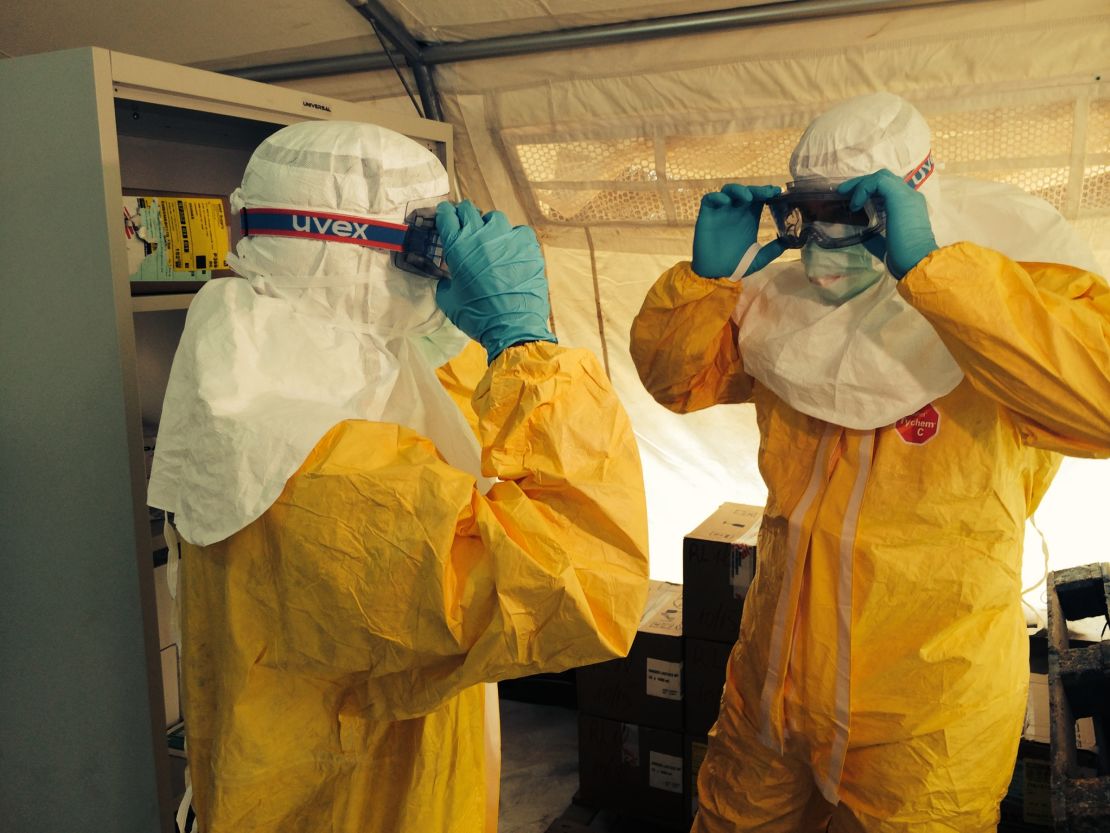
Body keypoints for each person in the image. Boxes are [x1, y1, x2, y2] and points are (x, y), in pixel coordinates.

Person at [148, 120, 650, 833]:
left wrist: (460, 335)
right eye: (427, 242)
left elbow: (446, 427)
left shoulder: (255, 353)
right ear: (349, 248)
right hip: (356, 804)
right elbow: (583, 586)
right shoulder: (320, 466)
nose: (441, 264)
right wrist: (527, 347)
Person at [630, 92, 1110, 832]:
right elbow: (676, 381)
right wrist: (704, 279)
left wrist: (935, 275)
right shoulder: (779, 307)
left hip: (925, 714)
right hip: (772, 689)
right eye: (810, 211)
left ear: (908, 197)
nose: (824, 236)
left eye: (848, 208)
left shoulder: (1007, 301)